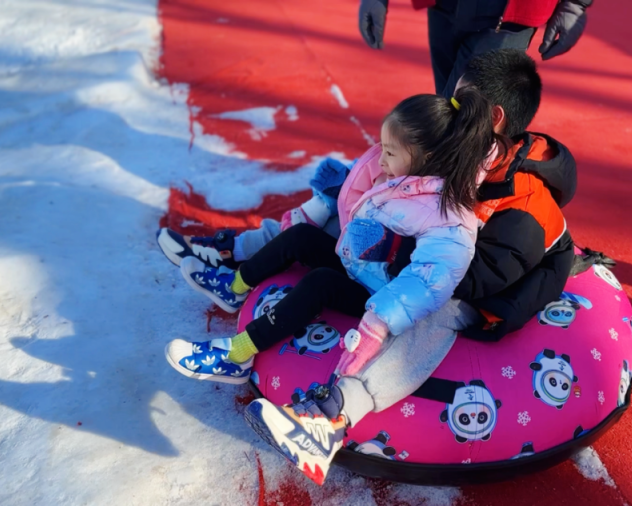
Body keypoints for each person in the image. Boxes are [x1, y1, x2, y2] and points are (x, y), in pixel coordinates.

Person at [243, 49, 577, 485]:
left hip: (497, 288)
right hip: (441, 255)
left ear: (494, 118)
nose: (450, 109)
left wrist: (395, 250)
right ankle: (243, 255)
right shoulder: (472, 150)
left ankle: (331, 418)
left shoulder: (525, 204)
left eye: (460, 104)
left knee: (439, 312)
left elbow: (474, 279)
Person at [164, 88, 501, 392]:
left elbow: (429, 280)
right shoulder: (408, 178)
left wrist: (377, 324)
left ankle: (237, 355)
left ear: (426, 157)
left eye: (389, 153)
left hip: (376, 294)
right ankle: (235, 286)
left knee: (320, 282)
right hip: (357, 264)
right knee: (301, 236)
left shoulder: (449, 214)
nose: (381, 160)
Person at [358, 0, 593, 96]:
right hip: (444, 6)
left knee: (466, 121)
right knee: (445, 108)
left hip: (505, 16)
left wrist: (574, 4)